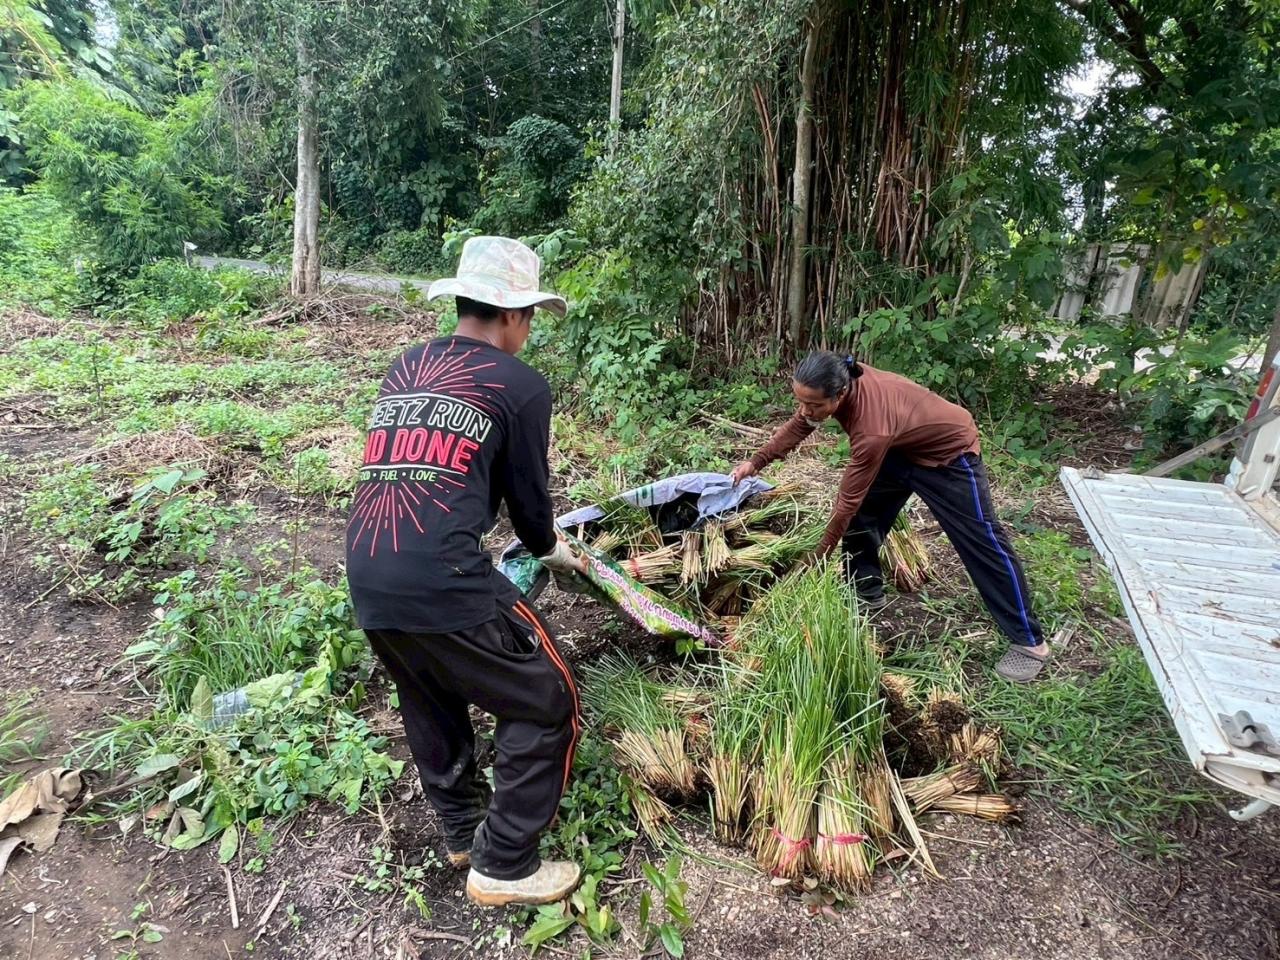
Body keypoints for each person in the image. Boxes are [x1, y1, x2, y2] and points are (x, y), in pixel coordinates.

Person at [345, 236, 587, 906]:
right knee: (547, 699)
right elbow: (529, 505)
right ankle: (505, 863)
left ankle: (461, 831)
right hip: (443, 573)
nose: (528, 331)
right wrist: (553, 550)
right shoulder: (520, 385)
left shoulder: (406, 366)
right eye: (529, 317)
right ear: (512, 314)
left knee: (428, 689)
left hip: (368, 567)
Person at [731, 351, 1050, 682]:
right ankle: (865, 592)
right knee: (863, 519)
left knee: (980, 540)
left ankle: (1030, 642)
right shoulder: (841, 382)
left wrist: (819, 555)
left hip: (948, 456)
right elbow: (802, 424)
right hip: (899, 449)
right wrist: (756, 462)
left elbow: (846, 501)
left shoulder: (872, 428)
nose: (806, 410)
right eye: (801, 401)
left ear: (840, 394)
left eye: (813, 404)